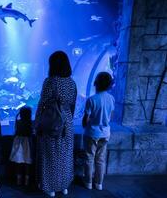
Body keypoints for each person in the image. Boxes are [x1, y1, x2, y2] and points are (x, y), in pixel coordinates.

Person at [35, 51, 77, 197]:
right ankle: (64, 186)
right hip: (67, 123)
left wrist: (37, 123)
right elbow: (73, 104)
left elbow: (42, 104)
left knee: (50, 155)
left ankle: (50, 187)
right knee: (65, 156)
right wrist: (68, 119)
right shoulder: (72, 82)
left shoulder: (50, 81)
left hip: (52, 123)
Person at [82, 72, 115, 191]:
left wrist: (85, 125)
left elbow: (86, 118)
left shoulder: (91, 99)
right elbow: (111, 116)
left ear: (96, 83)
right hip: (105, 133)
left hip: (92, 133)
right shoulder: (111, 98)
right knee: (100, 159)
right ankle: (99, 184)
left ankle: (88, 182)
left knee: (89, 158)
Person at [9, 106, 34, 186]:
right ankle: (27, 180)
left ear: (21, 114)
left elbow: (16, 132)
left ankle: (18, 180)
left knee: (18, 162)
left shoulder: (18, 122)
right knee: (27, 162)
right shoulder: (30, 122)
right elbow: (31, 133)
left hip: (18, 142)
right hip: (27, 143)